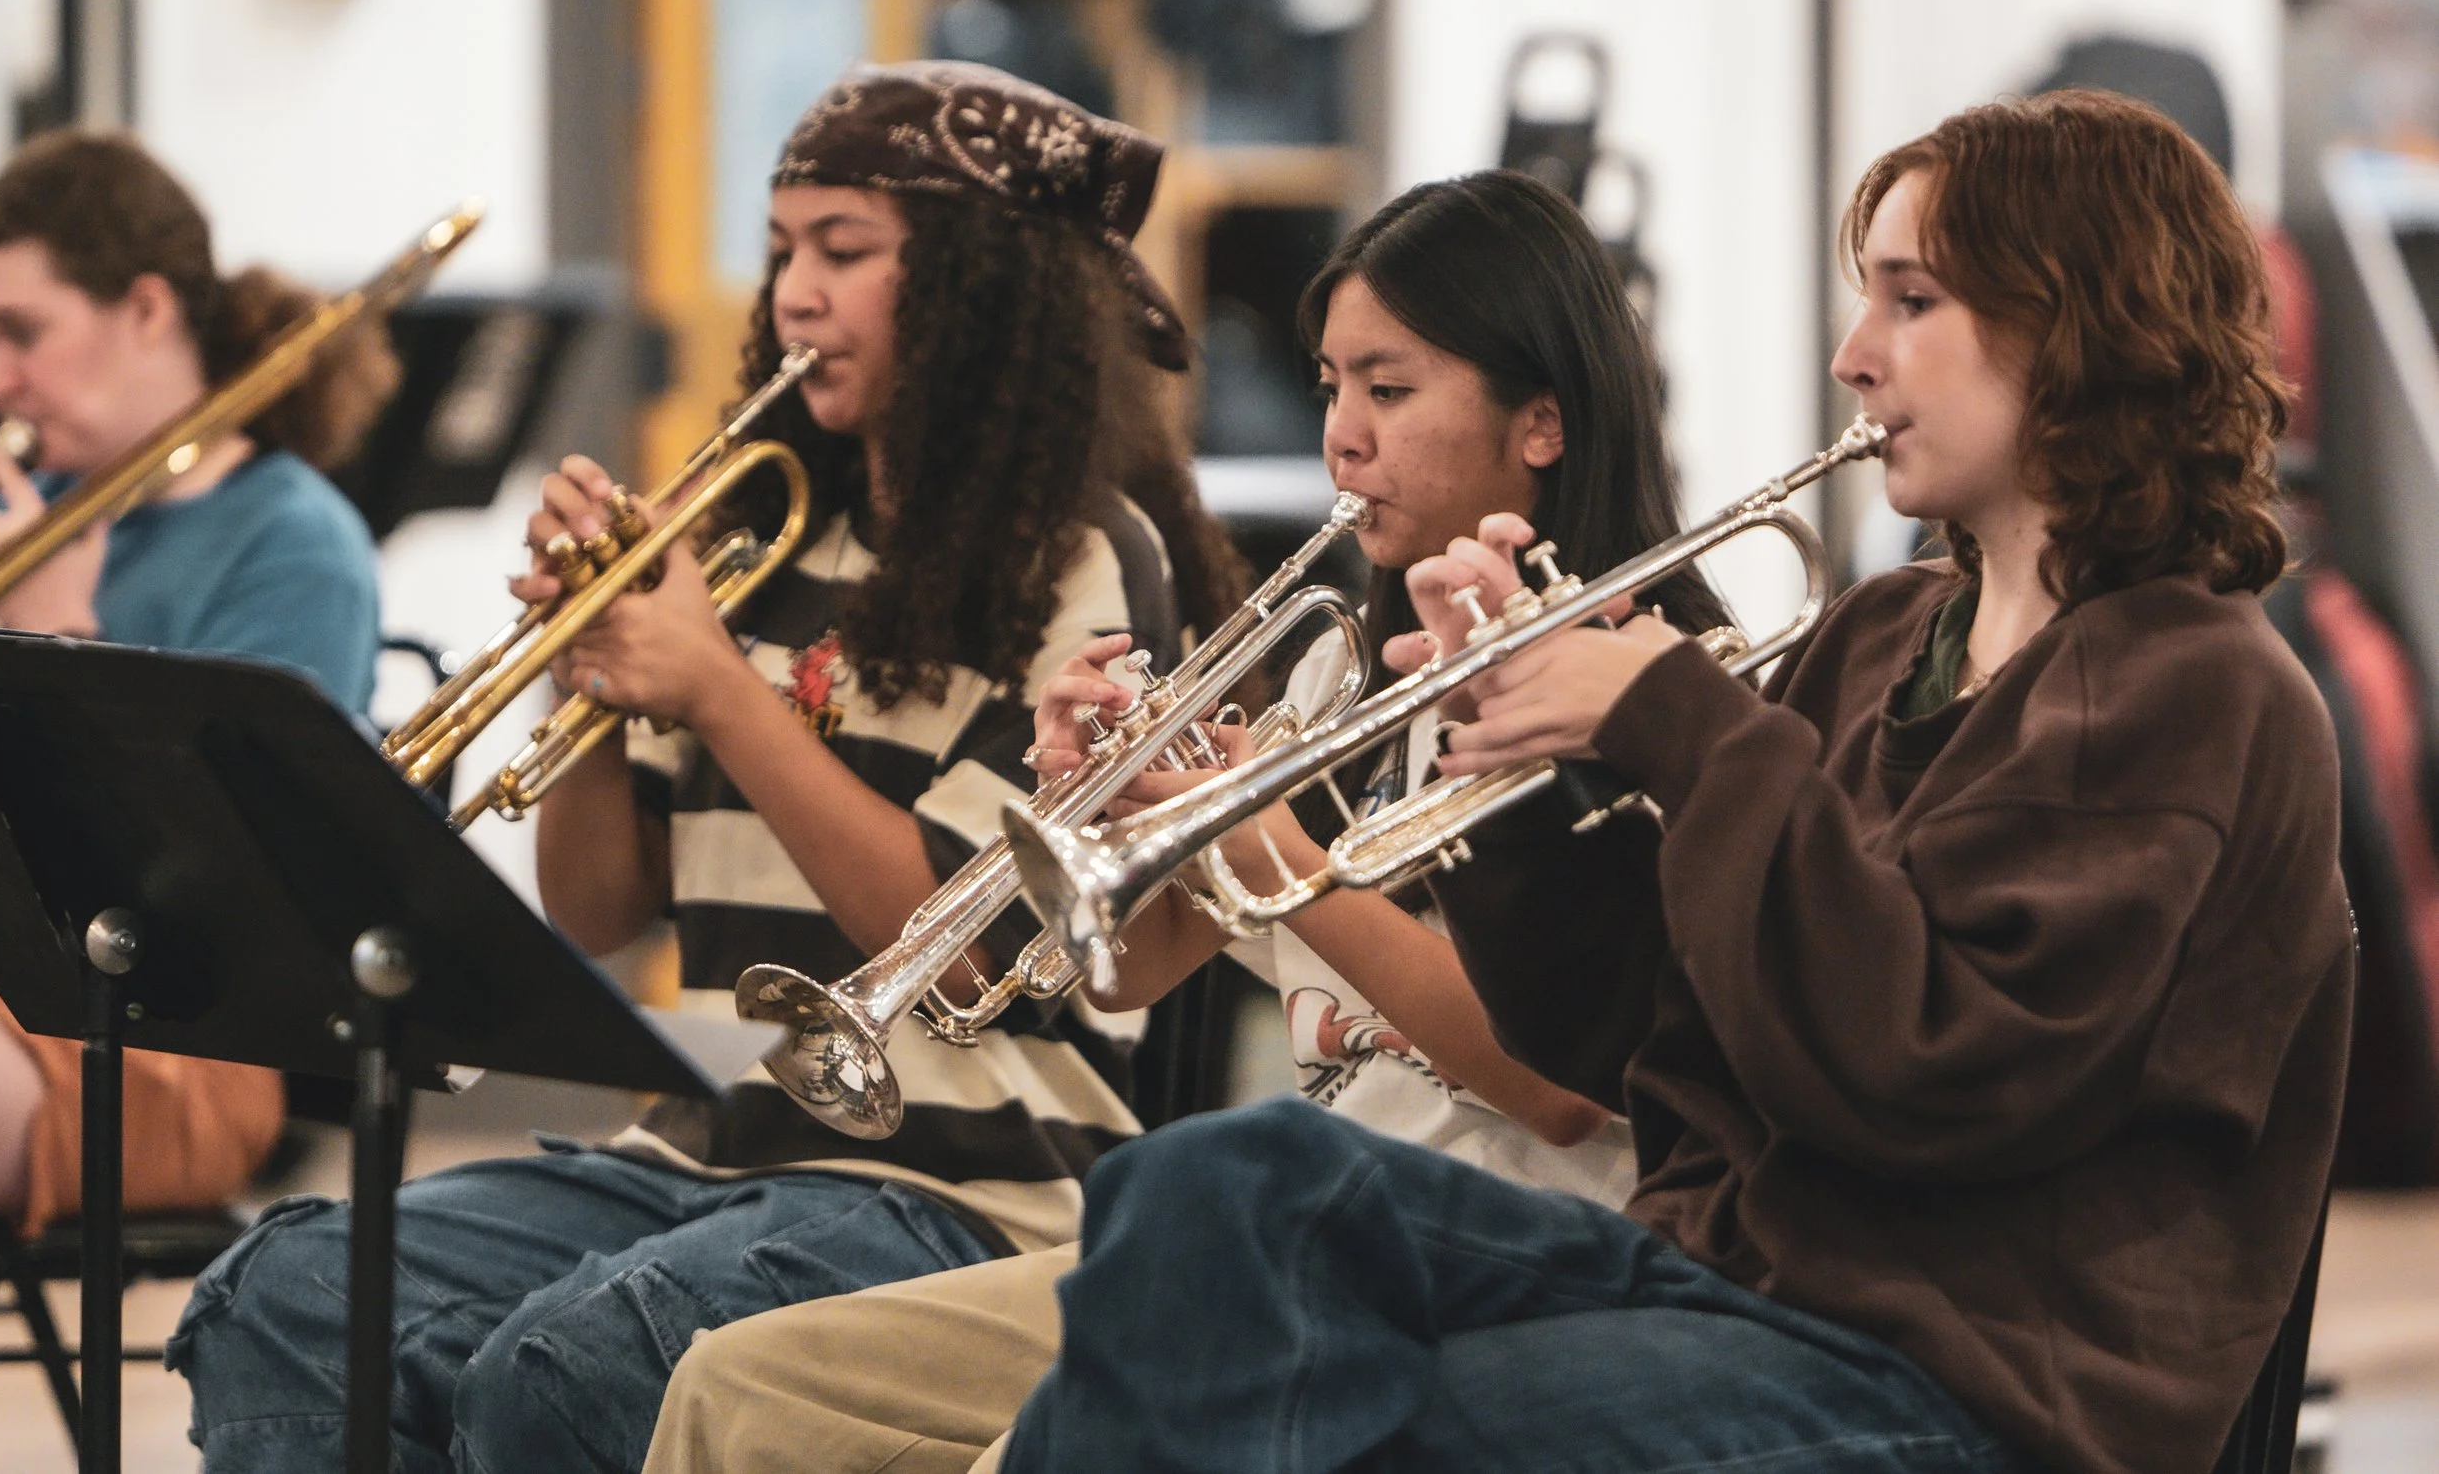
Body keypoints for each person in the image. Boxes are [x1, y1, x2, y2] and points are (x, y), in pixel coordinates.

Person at [983, 89, 2351, 1474]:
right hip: (1727, 1280)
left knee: (1318, 1421)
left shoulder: (2192, 689)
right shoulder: (1881, 635)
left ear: (2078, 326)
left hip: (1967, 1385)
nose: (1853, 357)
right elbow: (1627, 1039)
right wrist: (1511, 743)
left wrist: (1687, 726)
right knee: (1216, 1184)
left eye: (1911, 301)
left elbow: (1931, 1070)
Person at [167, 62, 1247, 1474]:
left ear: (983, 289)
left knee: (566, 1367)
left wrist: (720, 693)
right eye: (783, 251)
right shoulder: (752, 543)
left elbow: (965, 944)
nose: (795, 294)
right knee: (287, 1293)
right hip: (700, 1149)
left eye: (844, 252)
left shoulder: (1087, 558)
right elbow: (598, 907)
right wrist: (584, 666)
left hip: (964, 1190)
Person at [639, 167, 1731, 1474]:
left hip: (1486, 1259)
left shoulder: (1652, 686)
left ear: (1541, 422)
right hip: (1276, 1245)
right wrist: (1102, 813)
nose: (1342, 437)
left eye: (1389, 391)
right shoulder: (1340, 674)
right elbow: (1133, 976)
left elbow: (1560, 1095)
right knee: (735, 1390)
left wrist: (1263, 838)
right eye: (1329, 387)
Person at [0, 129, 393, 1235]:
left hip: (150, 1043)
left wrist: (55, 642)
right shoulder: (15, 525)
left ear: (146, 309)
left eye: (21, 333)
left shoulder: (292, 545)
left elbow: (208, 904)